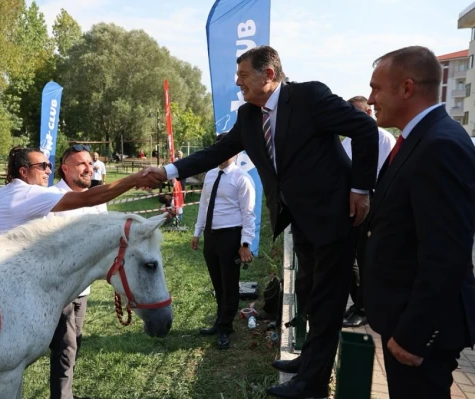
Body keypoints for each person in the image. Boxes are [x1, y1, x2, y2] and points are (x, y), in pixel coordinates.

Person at [140, 45, 378, 398]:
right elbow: (215, 152)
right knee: (311, 295)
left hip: (335, 216)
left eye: (243, 75)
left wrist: (360, 188)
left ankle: (311, 384)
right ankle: (309, 360)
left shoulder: (309, 96)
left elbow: (364, 129)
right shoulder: (249, 116)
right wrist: (168, 170)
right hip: (300, 220)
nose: (238, 83)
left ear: (269, 74)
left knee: (328, 303)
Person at [0, 145, 147, 398]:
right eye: (42, 166)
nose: (48, 171)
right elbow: (89, 198)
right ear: (24, 171)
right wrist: (136, 178)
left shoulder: (1, 194)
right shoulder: (31, 193)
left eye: (49, 165)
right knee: (15, 362)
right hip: (22, 294)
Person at [361, 46, 475, 398]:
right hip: (402, 318)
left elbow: (445, 254)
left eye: (376, 88)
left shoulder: (440, 145)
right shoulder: (420, 139)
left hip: (419, 331)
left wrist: (414, 335)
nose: (370, 98)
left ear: (407, 88)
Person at [47, 145, 107, 399]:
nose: (89, 167)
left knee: (74, 343)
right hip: (58, 289)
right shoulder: (49, 199)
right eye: (81, 163)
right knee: (66, 347)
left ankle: (65, 393)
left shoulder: (97, 200)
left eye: (90, 163)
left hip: (83, 288)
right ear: (65, 168)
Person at [192, 133, 256, 349]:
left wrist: (245, 243)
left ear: (235, 152)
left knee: (229, 284)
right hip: (211, 235)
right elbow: (203, 205)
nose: (222, 155)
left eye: (226, 150)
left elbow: (249, 214)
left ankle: (225, 328)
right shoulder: (210, 175)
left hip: (230, 236)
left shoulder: (242, 178)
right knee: (217, 282)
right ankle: (220, 321)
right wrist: (197, 231)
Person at [340, 95, 396, 328]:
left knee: (365, 259)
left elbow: (383, 178)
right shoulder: (346, 141)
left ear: (369, 113)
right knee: (349, 258)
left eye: (356, 113)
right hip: (347, 206)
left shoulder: (382, 138)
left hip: (370, 206)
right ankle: (358, 303)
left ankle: (364, 308)